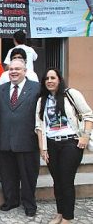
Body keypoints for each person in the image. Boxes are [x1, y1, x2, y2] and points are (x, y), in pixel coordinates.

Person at [35, 68, 93, 224]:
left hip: (71, 143)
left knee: (66, 180)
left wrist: (85, 137)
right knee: (57, 180)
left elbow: (88, 115)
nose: (50, 81)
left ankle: (67, 217)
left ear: (59, 79)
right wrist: (43, 148)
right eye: (46, 78)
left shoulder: (71, 94)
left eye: (53, 77)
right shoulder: (42, 100)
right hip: (52, 145)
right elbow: (39, 126)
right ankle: (60, 213)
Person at [0, 59, 40, 217]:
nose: (13, 71)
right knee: (7, 174)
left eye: (17, 69)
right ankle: (11, 200)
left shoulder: (36, 88)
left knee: (28, 175)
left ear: (25, 71)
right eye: (11, 69)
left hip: (28, 141)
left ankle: (29, 204)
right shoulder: (0, 89)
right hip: (5, 139)